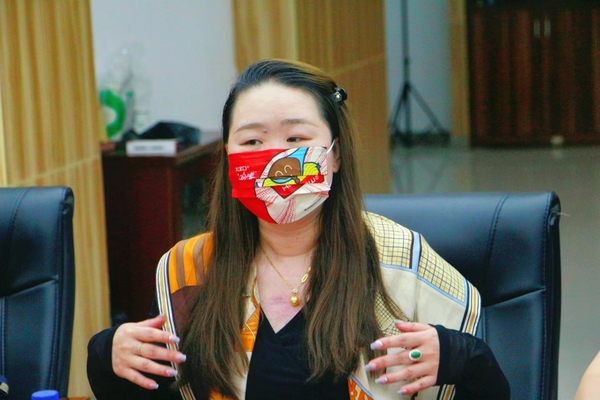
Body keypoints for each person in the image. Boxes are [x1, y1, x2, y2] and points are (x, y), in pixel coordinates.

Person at [87, 59, 510, 400]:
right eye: (252, 142)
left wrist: (462, 357)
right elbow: (156, 387)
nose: (276, 158)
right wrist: (108, 357)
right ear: (228, 159)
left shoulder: (401, 258)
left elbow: (487, 387)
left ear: (335, 154)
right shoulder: (190, 267)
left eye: (295, 138)